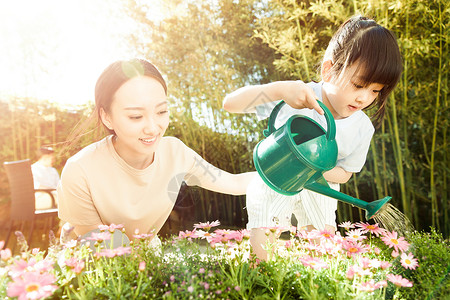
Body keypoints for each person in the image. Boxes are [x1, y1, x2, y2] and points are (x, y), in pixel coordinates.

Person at [223, 15, 402, 259]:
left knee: (322, 253)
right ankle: (260, 274)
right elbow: (230, 103)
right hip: (277, 178)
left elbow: (345, 172)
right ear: (329, 70)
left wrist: (314, 168)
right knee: (264, 246)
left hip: (320, 188)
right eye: (358, 85)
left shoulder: (362, 127)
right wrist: (279, 90)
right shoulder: (297, 96)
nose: (364, 98)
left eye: (375, 91)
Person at [57, 58, 255, 247]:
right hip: (92, 269)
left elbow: (233, 182)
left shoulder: (175, 153)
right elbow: (104, 248)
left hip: (144, 261)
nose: (153, 128)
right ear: (107, 117)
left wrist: (283, 178)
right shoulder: (80, 169)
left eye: (161, 112)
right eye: (136, 116)